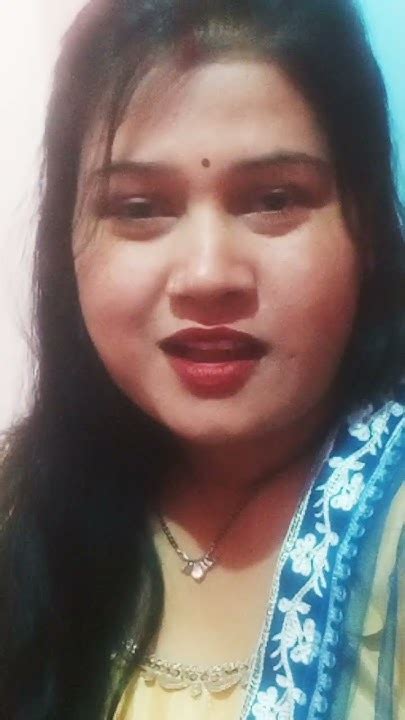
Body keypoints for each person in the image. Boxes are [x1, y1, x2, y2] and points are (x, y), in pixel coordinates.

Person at [0, 0, 404, 718]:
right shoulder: (21, 502)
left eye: (274, 199)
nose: (208, 275)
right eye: (138, 208)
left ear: (366, 231)